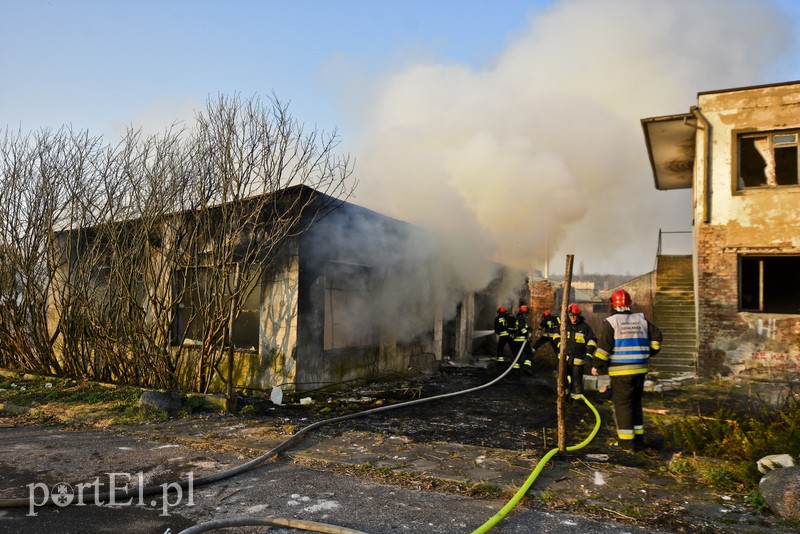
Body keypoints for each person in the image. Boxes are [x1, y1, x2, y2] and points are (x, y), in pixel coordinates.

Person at [591, 289, 663, 452]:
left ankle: (626, 445)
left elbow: (604, 349)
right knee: (635, 404)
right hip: (640, 370)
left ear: (612, 305)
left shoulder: (611, 322)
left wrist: (597, 365)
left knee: (623, 405)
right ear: (629, 304)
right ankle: (638, 441)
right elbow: (657, 336)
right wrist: (649, 352)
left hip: (621, 372)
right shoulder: (641, 320)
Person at [559, 303, 597, 400]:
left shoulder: (585, 327)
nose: (573, 318)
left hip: (578, 360)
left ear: (579, 315)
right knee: (562, 380)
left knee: (576, 383)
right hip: (565, 359)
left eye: (575, 316)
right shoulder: (564, 325)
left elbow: (592, 341)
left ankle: (575, 402)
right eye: (571, 316)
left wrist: (589, 353)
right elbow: (557, 336)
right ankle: (563, 399)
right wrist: (559, 345)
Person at [509, 305, 535, 369]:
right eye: (527, 312)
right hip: (522, 340)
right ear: (525, 312)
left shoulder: (518, 317)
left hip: (516, 340)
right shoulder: (521, 318)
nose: (527, 313)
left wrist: (528, 329)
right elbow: (522, 328)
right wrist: (527, 333)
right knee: (529, 353)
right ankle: (526, 367)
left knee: (518, 356)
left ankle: (516, 370)